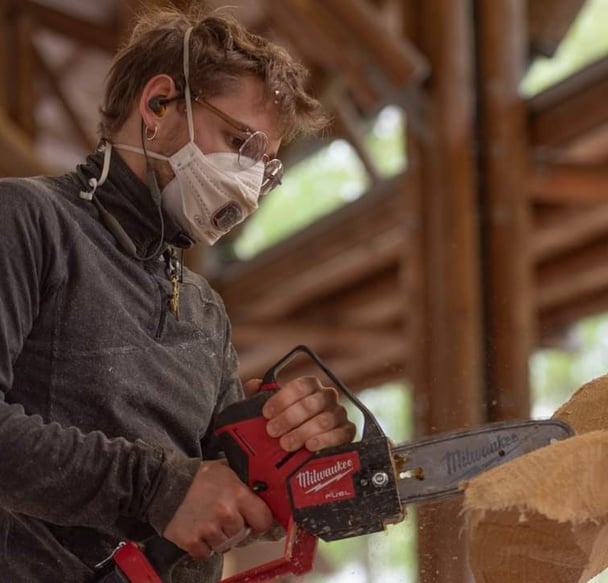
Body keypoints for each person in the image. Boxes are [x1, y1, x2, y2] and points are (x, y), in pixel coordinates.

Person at [0, 5, 356, 582]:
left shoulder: (202, 308)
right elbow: (178, 490)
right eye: (239, 141)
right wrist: (160, 488)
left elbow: (222, 482)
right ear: (157, 104)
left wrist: (289, 447)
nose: (248, 185)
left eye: (264, 168)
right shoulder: (29, 221)